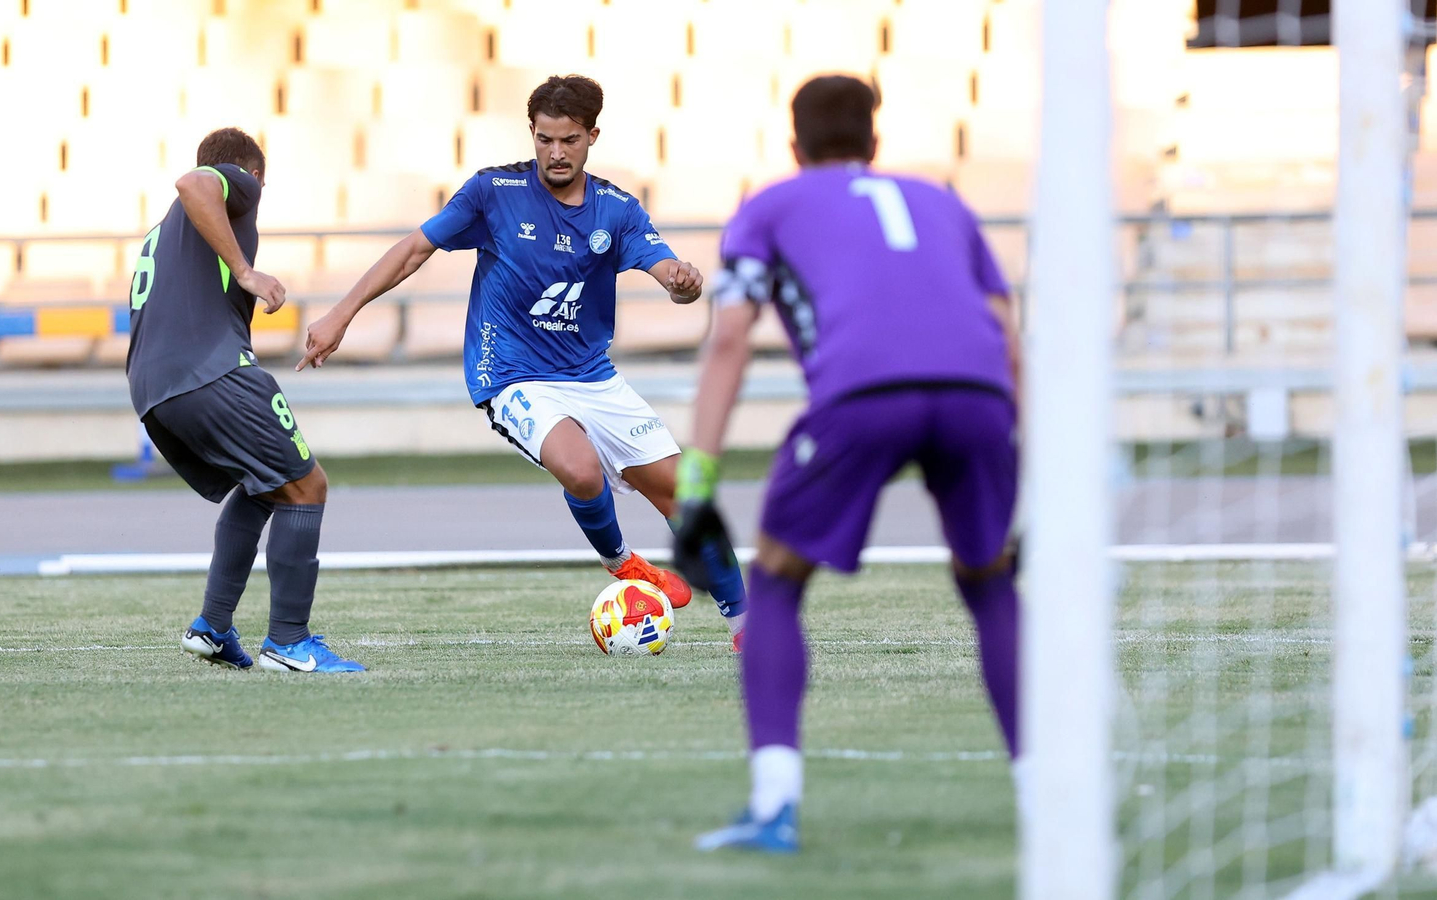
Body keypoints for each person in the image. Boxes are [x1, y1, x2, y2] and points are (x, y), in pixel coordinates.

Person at [675, 75, 1022, 851]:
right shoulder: (943, 202)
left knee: (775, 580)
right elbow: (1008, 336)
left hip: (862, 396)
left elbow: (729, 338)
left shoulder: (768, 206)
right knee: (990, 581)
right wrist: (1027, 471)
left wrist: (697, 485)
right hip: (979, 397)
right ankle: (1047, 802)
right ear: (876, 139)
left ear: (794, 146)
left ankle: (774, 808)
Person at [298, 75, 747, 646]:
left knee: (685, 495)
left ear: (592, 137)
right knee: (580, 468)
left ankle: (747, 627)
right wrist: (342, 314)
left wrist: (683, 283)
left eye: (569, 140)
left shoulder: (618, 210)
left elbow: (668, 274)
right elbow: (413, 250)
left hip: (593, 375)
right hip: (512, 373)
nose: (555, 153)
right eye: (544, 139)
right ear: (531, 133)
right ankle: (621, 562)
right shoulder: (493, 192)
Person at [127, 127, 363, 674]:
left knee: (264, 486)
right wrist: (246, 271)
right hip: (208, 371)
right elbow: (194, 182)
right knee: (307, 486)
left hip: (153, 388)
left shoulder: (165, 234)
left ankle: (212, 626)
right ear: (252, 175)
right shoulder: (235, 181)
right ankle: (288, 641)